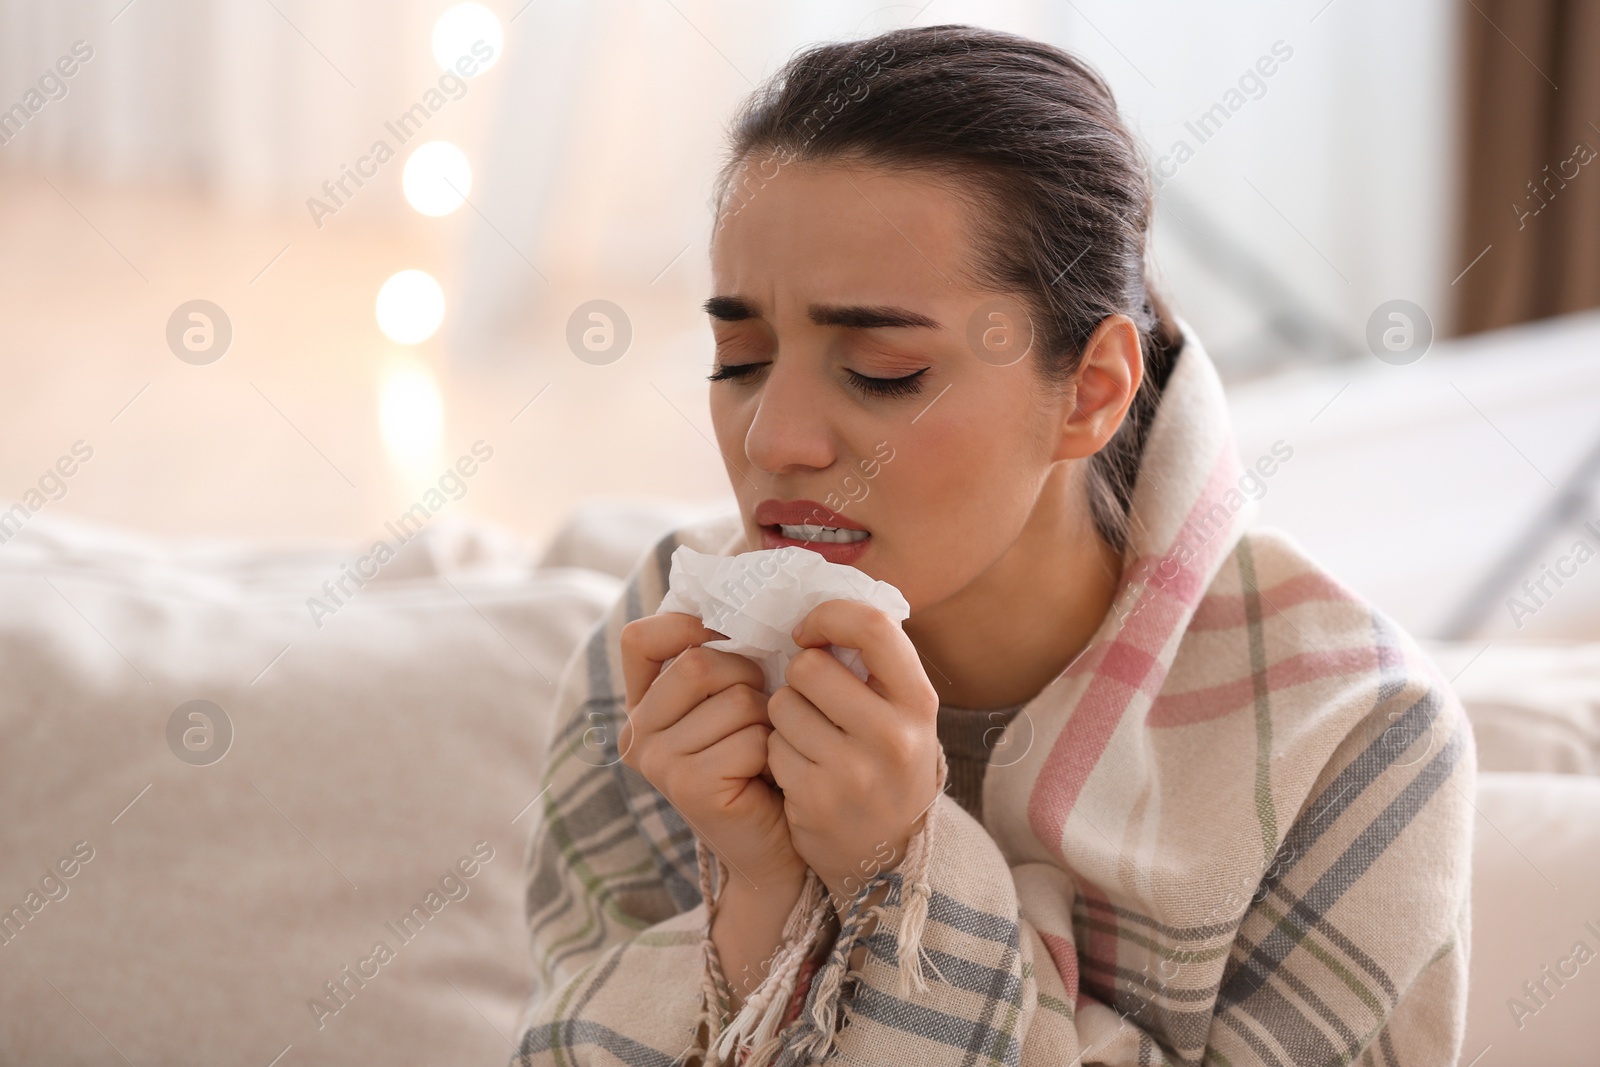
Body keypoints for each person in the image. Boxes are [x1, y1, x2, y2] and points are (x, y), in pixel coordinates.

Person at [512, 23, 1475, 1067]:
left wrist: (902, 870)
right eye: (741, 356)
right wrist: (759, 892)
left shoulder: (1353, 743)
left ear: (1091, 391)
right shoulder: (668, 650)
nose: (771, 438)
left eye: (881, 369)